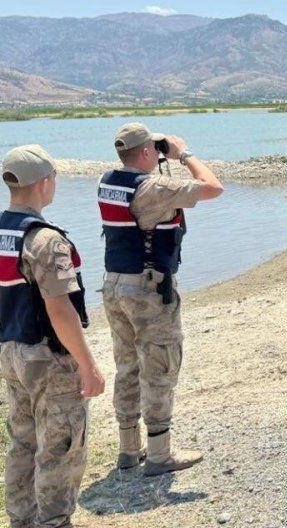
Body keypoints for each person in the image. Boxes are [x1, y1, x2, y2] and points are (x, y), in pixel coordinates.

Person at [0, 145, 105, 528]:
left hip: (12, 349)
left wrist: (0, 339)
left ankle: (21, 519)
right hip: (48, 356)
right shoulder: (46, 241)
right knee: (61, 445)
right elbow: (60, 310)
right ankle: (54, 521)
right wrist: (88, 365)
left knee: (23, 439)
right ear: (45, 182)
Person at [97, 123, 223, 476]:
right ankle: (159, 454)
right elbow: (213, 187)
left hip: (114, 286)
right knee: (160, 367)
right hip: (148, 290)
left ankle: (128, 449)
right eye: (154, 147)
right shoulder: (152, 188)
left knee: (127, 365)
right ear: (147, 152)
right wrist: (184, 155)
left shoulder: (107, 181)